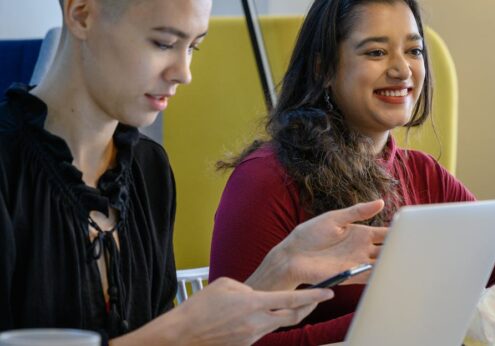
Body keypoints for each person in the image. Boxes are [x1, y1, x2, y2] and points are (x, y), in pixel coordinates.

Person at [0, 0, 392, 345]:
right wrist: (178, 335)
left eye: (194, 46)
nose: (184, 72)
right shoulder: (8, 169)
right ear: (81, 13)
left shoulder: (147, 170)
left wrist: (281, 268)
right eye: (164, 43)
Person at [209, 0, 495, 345]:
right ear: (323, 69)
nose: (402, 69)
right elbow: (226, 340)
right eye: (376, 52)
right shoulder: (265, 179)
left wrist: (468, 314)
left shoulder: (424, 173)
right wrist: (391, 324)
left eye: (414, 50)